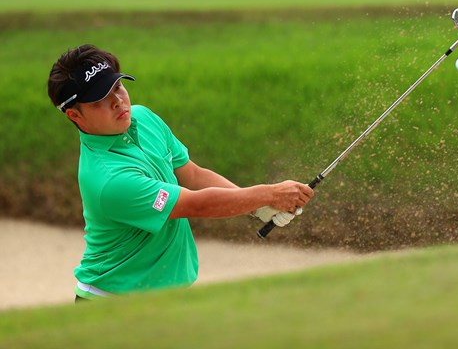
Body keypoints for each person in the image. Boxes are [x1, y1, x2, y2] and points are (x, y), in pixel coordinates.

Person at [47, 44, 314, 301]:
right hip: (114, 305)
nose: (118, 101)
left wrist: (259, 207)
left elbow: (194, 175)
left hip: (166, 298)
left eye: (118, 87)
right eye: (99, 100)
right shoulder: (109, 179)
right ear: (74, 115)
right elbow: (198, 205)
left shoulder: (142, 118)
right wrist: (269, 194)